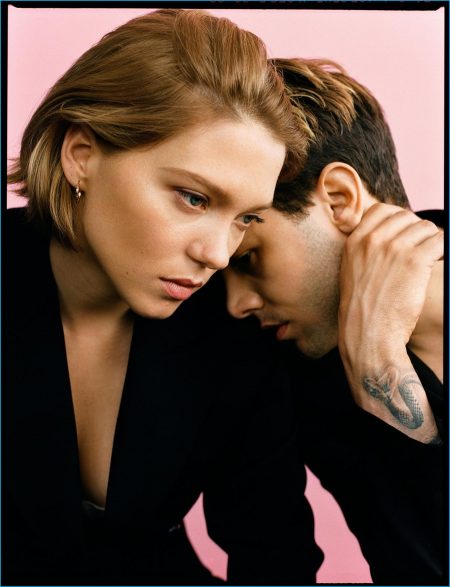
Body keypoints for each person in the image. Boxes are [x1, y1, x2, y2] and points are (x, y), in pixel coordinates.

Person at [3, 13, 325, 585]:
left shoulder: (232, 333)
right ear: (81, 153)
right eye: (195, 198)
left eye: (246, 218)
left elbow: (277, 554)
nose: (220, 255)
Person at [225, 58, 446, 585]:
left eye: (248, 258)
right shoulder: (293, 380)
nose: (235, 304)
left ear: (339, 199)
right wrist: (376, 362)